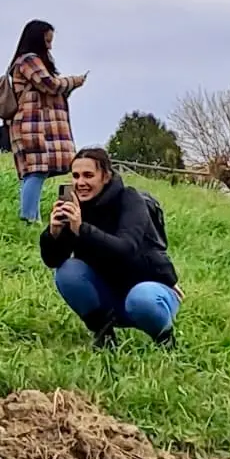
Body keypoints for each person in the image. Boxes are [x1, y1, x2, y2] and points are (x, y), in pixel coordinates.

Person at [40, 147, 181, 349]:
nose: (81, 183)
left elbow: (125, 249)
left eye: (88, 175)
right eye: (76, 176)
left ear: (106, 177)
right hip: (109, 295)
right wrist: (54, 233)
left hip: (147, 289)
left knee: (141, 299)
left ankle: (165, 340)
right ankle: (104, 335)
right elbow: (53, 260)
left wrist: (81, 228)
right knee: (67, 271)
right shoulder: (76, 207)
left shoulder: (130, 200)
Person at [6, 18, 86, 223]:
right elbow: (48, 84)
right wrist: (73, 82)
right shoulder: (29, 61)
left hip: (35, 124)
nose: (50, 45)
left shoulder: (26, 61)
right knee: (36, 170)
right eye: (47, 41)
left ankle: (33, 217)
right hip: (33, 125)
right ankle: (28, 217)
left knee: (35, 172)